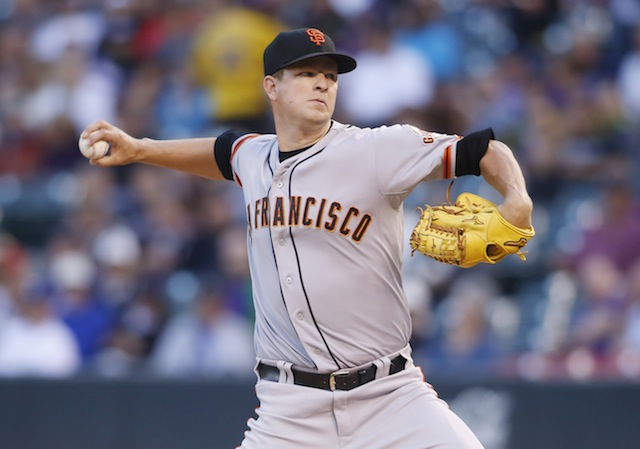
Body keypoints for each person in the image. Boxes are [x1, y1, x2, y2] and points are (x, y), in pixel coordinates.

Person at [81, 27, 533, 449]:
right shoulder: (252, 157)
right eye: (306, 73)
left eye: (330, 76)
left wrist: (517, 199)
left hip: (390, 396)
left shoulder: (375, 149)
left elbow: (484, 150)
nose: (322, 84)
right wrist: (139, 149)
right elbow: (221, 154)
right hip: (288, 411)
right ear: (271, 87)